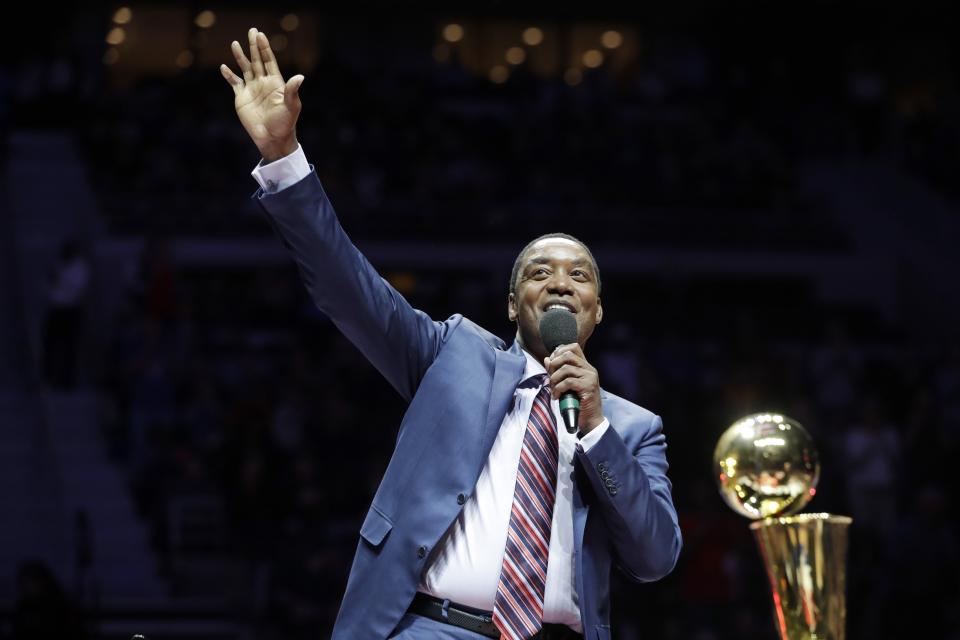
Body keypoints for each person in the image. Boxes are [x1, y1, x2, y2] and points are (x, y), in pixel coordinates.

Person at [220, 28, 681, 640]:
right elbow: (347, 289)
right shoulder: (451, 354)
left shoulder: (632, 428)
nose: (561, 282)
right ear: (512, 306)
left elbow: (656, 559)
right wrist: (284, 158)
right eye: (539, 272)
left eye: (580, 276)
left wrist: (596, 429)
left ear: (597, 311)